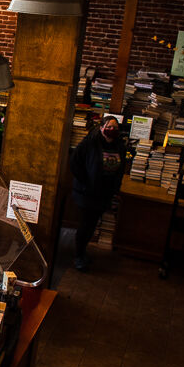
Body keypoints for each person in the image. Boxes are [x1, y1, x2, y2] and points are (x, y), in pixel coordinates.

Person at [70, 115, 128, 272]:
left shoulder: (119, 146)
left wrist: (115, 189)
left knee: (92, 224)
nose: (112, 130)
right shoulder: (90, 142)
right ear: (101, 127)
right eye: (109, 127)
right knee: (86, 224)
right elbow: (75, 162)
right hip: (86, 192)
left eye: (115, 128)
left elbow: (121, 168)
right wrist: (84, 181)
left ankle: (82, 252)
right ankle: (79, 255)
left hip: (104, 193)